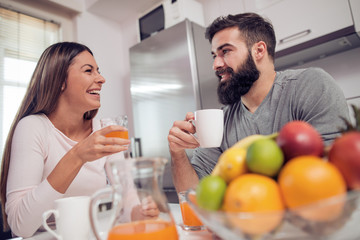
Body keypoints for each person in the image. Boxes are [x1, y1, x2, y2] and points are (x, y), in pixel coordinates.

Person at [167, 13, 350, 193]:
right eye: (214, 55)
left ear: (259, 50)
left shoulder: (311, 85)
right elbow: (194, 193)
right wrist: (177, 153)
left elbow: (335, 173)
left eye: (225, 51)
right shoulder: (221, 120)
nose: (216, 64)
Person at [0, 42, 158, 238]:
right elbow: (19, 225)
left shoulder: (105, 130)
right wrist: (77, 156)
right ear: (60, 81)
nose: (101, 79)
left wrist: (138, 212)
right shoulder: (33, 127)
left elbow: (128, 196)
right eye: (88, 71)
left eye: (98, 71)